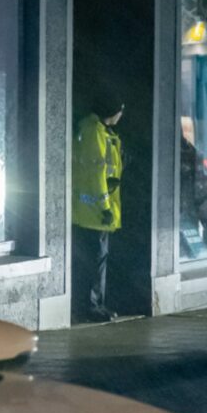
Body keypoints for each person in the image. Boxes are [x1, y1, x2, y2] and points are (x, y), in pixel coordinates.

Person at [72, 97, 124, 323]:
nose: (121, 116)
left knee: (94, 260)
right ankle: (92, 306)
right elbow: (96, 173)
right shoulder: (95, 132)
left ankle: (93, 304)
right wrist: (104, 207)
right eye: (121, 111)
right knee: (96, 261)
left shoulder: (98, 131)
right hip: (94, 212)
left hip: (91, 210)